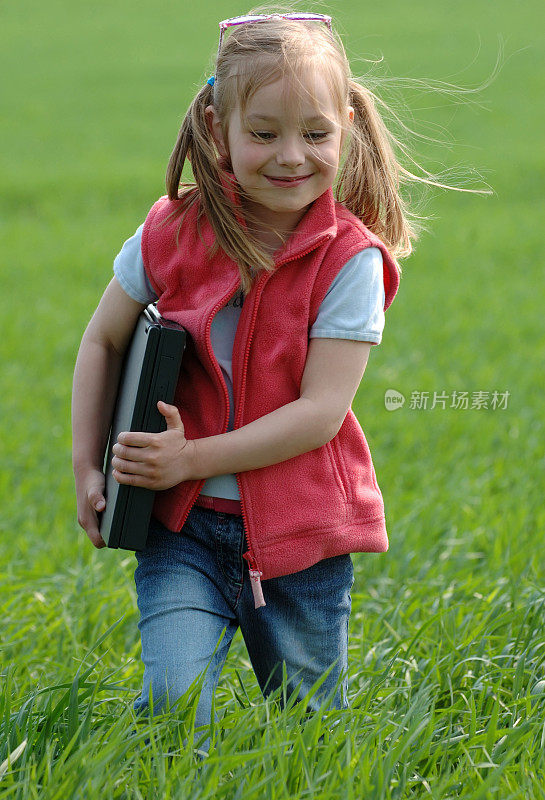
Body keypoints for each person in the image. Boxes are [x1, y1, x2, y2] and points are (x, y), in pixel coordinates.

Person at [71, 10, 417, 747]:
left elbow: (320, 412)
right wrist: (87, 464)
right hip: (180, 529)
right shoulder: (171, 231)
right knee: (171, 704)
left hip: (302, 542)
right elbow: (102, 340)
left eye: (315, 133)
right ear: (215, 123)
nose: (290, 156)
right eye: (263, 133)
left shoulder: (349, 261)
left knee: (310, 734)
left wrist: (191, 456)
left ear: (347, 125)